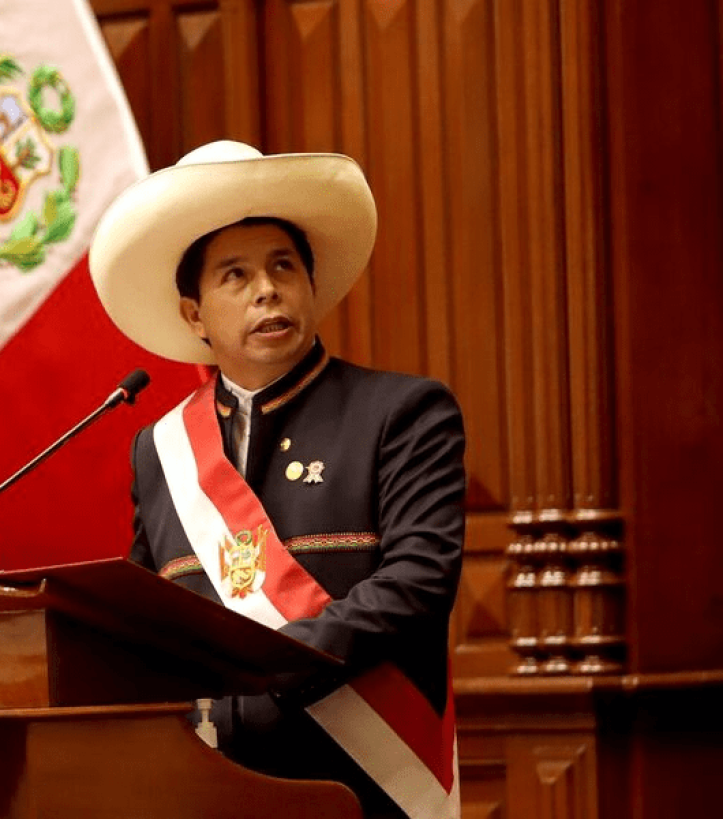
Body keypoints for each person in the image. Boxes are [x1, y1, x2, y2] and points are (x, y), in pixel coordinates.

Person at [88, 140, 465, 819]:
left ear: (311, 286)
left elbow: (420, 580)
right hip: (210, 788)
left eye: (283, 266)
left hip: (364, 785)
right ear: (194, 314)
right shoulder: (160, 451)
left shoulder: (401, 413)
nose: (266, 288)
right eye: (235, 274)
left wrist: (268, 664)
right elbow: (146, 623)